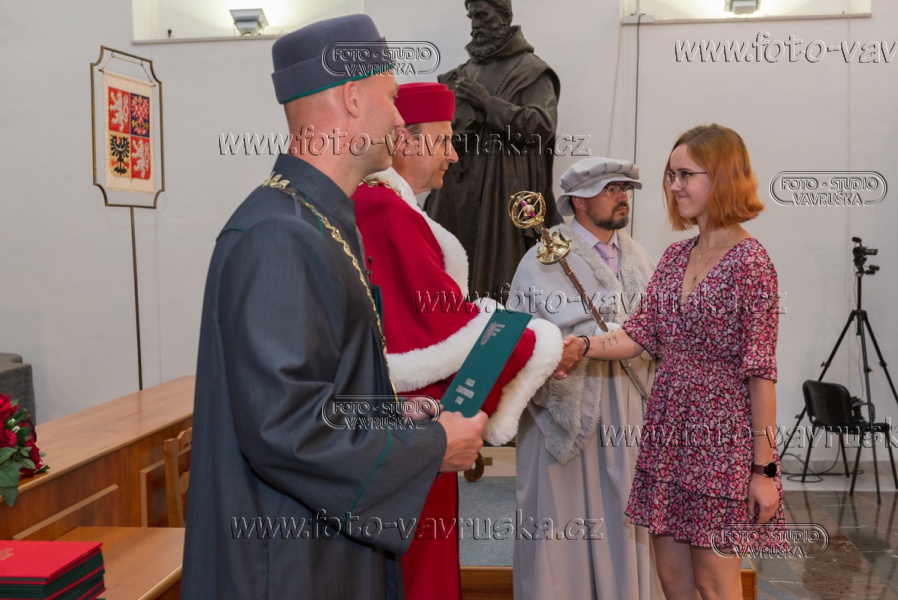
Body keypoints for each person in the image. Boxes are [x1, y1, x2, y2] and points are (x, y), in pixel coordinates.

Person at [182, 16, 489, 600]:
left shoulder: (317, 220)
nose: (399, 119)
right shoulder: (278, 234)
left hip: (321, 547)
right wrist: (431, 449)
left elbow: (320, 391)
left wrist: (396, 418)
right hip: (290, 565)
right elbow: (285, 428)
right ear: (352, 97)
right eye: (392, 98)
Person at [352, 82, 576, 600]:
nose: (454, 155)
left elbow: (442, 322)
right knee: (419, 569)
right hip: (412, 426)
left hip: (412, 424)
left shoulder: (390, 209)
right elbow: (440, 334)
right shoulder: (385, 212)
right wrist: (540, 345)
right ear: (405, 140)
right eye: (444, 140)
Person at [565, 125, 786, 599]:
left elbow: (761, 374)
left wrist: (763, 471)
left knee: (715, 585)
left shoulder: (751, 263)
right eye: (671, 175)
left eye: (686, 174)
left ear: (722, 177)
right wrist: (580, 346)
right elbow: (637, 334)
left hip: (720, 445)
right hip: (668, 438)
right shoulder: (674, 255)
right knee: (673, 582)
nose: (674, 186)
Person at [509, 157, 662, 599]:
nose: (622, 196)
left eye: (624, 188)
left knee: (625, 520)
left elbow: (659, 329)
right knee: (564, 526)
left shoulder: (639, 256)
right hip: (567, 411)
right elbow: (524, 337)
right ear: (578, 200)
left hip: (629, 410)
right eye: (610, 189)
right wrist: (589, 339)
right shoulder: (541, 257)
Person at [425, 0, 561, 299]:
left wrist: (488, 104)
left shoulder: (531, 71)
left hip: (500, 196)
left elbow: (541, 126)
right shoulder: (459, 75)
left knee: (498, 286)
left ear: (503, 15)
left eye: (482, 15)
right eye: (471, 16)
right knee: (443, 281)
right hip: (453, 194)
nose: (475, 24)